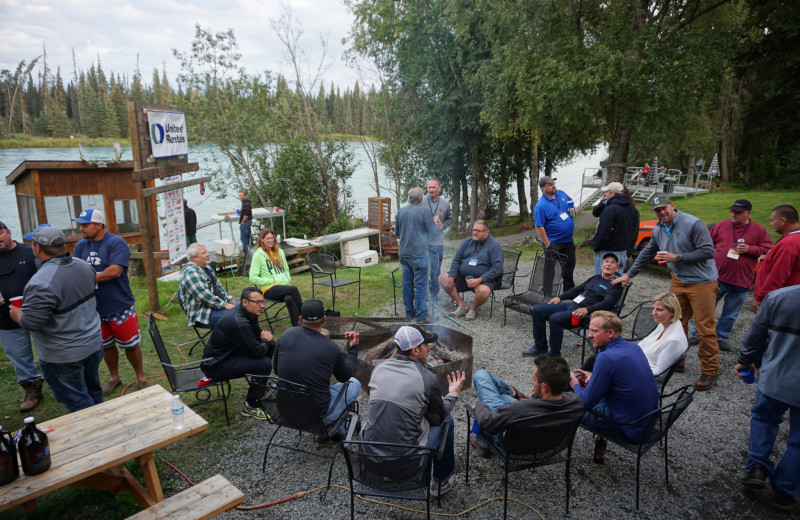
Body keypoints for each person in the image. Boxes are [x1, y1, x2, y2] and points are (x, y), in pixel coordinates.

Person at [614, 194, 720, 391]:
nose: (662, 212)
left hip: (702, 282)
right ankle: (676, 360)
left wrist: (677, 257)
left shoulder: (693, 223)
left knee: (705, 327)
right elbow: (647, 252)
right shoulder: (659, 228)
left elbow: (708, 251)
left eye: (664, 208)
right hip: (679, 280)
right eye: (657, 210)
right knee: (674, 322)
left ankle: (709, 370)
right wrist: (629, 274)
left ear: (672, 206)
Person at [359, 325, 467, 497]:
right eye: (426, 345)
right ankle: (442, 481)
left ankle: (387, 475)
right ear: (416, 349)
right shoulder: (427, 378)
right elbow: (438, 418)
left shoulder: (378, 369)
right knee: (447, 421)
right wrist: (452, 394)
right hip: (405, 465)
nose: (429, 348)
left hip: (370, 459)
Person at [10, 224, 103, 413]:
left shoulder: (40, 282)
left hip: (64, 355)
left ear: (37, 248)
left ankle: (96, 436)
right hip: (93, 344)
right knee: (93, 391)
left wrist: (18, 315)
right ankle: (103, 422)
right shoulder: (84, 266)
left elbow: (32, 323)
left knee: (78, 402)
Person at [72, 209, 150, 396]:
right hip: (95, 308)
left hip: (119, 305)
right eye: (80, 224)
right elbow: (75, 269)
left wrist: (85, 279)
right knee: (106, 345)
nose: (80, 228)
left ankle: (141, 377)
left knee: (130, 345)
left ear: (98, 225)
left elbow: (114, 271)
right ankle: (114, 377)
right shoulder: (80, 246)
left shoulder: (116, 242)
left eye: (85, 224)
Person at [737, 284, 800, 512]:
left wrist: (746, 360)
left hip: (775, 379)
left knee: (764, 419)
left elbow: (756, 335)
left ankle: (757, 469)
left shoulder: (778, 297)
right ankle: (785, 491)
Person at [570, 311, 659, 462]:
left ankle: (548, 444)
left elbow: (585, 402)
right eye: (589, 330)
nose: (589, 335)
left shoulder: (606, 357)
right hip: (646, 421)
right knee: (585, 390)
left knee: (569, 404)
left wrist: (575, 385)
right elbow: (621, 384)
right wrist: (593, 378)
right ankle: (600, 445)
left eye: (595, 331)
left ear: (610, 333)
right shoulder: (633, 347)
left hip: (628, 428)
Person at [689, 199, 772, 350]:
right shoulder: (720, 226)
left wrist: (750, 249)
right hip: (715, 277)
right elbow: (706, 245)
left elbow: (768, 250)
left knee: (731, 313)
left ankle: (721, 337)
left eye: (738, 212)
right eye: (732, 211)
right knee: (706, 308)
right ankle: (697, 334)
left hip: (741, 281)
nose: (733, 214)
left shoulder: (759, 230)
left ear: (748, 213)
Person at [273, 299, 361, 440]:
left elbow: (277, 370)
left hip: (285, 409)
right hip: (317, 415)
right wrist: (354, 348)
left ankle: (329, 427)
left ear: (300, 319)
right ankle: (334, 428)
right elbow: (345, 377)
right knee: (354, 383)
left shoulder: (286, 335)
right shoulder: (330, 348)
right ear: (324, 319)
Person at [469, 355, 584, 457]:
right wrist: (537, 398)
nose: (532, 382)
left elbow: (487, 422)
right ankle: (512, 392)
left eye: (534, 379)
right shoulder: (576, 402)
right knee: (501, 396)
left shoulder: (521, 408)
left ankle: (482, 439)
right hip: (547, 445)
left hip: (513, 446)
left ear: (544, 387)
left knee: (481, 375)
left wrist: (480, 405)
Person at [522, 252, 623, 358]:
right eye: (606, 261)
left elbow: (607, 304)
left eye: (612, 263)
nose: (608, 264)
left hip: (587, 315)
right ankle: (540, 347)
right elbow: (577, 290)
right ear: (601, 265)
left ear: (616, 269)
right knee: (538, 310)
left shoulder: (616, 285)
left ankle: (554, 355)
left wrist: (587, 310)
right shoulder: (596, 278)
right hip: (572, 305)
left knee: (555, 318)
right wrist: (560, 298)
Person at [201, 287, 276, 420]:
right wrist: (264, 339)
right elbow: (258, 351)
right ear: (245, 302)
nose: (262, 306)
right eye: (258, 302)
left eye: (263, 302)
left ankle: (260, 386)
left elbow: (256, 337)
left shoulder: (250, 314)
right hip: (216, 365)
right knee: (263, 364)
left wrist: (265, 341)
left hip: (230, 354)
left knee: (271, 345)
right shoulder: (239, 321)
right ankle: (250, 405)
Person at [0, 220, 43, 412]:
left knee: (51, 351)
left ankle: (62, 383)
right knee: (18, 356)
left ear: (9, 233)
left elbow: (48, 278)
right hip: (5, 318)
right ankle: (32, 389)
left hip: (37, 315)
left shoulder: (30, 252)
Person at [438, 220, 503, 320]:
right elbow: (456, 260)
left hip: (484, 280)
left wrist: (480, 279)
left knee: (483, 290)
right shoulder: (467, 242)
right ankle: (462, 306)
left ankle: (473, 308)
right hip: (464, 278)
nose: (474, 232)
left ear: (486, 232)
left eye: (478, 231)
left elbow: (497, 268)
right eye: (473, 230)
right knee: (442, 278)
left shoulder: (495, 246)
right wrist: (451, 278)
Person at [395, 187, 439, 323]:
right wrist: (435, 223)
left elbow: (397, 233)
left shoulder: (400, 212)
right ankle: (421, 316)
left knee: (407, 284)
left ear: (409, 199)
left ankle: (409, 313)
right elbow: (434, 232)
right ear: (421, 199)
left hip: (404, 254)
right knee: (421, 285)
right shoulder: (424, 211)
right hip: (419, 255)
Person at [249, 228, 303, 326]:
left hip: (284, 287)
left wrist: (287, 279)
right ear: (262, 240)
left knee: (289, 298)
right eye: (267, 238)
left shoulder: (280, 252)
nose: (270, 240)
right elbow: (252, 277)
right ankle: (306, 318)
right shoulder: (258, 255)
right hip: (269, 289)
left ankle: (297, 326)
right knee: (294, 289)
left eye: (272, 238)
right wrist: (271, 280)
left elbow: (286, 269)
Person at [753, 204, 800, 312]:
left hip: (779, 300)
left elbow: (778, 274)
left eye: (773, 220)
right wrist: (770, 257)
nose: (771, 224)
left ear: (782, 221)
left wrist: (761, 298)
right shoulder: (794, 238)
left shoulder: (789, 243)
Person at [534, 176, 576, 291]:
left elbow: (570, 202)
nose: (553, 185)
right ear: (543, 188)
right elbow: (539, 226)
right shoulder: (540, 205)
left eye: (553, 183)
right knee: (550, 268)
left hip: (568, 240)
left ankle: (569, 290)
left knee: (569, 265)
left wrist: (574, 208)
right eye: (549, 184)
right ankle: (547, 291)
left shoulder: (561, 194)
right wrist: (548, 244)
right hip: (553, 242)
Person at [178, 243, 236, 328]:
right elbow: (204, 296)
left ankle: (256, 338)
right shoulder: (191, 272)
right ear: (194, 258)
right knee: (238, 316)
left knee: (248, 307)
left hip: (215, 306)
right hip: (202, 314)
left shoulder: (207, 268)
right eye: (204, 253)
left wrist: (227, 299)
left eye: (207, 251)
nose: (208, 254)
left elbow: (218, 286)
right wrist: (225, 305)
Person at [591, 181, 639, 274]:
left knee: (602, 282)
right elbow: (634, 232)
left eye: (607, 192)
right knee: (616, 282)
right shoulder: (633, 210)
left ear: (612, 193)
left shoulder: (610, 209)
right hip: (622, 252)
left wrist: (596, 247)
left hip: (607, 252)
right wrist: (629, 251)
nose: (605, 194)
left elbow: (603, 232)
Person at [422, 179, 452, 299]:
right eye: (429, 187)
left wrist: (442, 225)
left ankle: (434, 294)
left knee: (435, 270)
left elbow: (449, 219)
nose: (431, 190)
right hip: (422, 242)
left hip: (437, 243)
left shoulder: (445, 203)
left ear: (439, 188)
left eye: (434, 187)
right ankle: (422, 293)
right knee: (422, 268)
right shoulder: (421, 201)